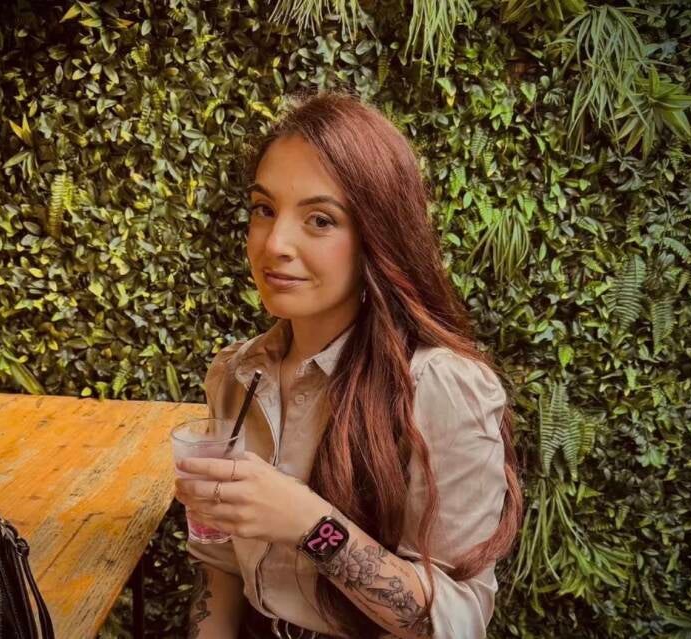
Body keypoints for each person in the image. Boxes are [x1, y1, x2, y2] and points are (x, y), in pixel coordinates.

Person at [174, 88, 523, 639]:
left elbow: (456, 620)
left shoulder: (440, 387)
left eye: (320, 219)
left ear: (375, 237)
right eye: (264, 209)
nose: (275, 243)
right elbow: (218, 563)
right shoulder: (236, 376)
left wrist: (310, 524)